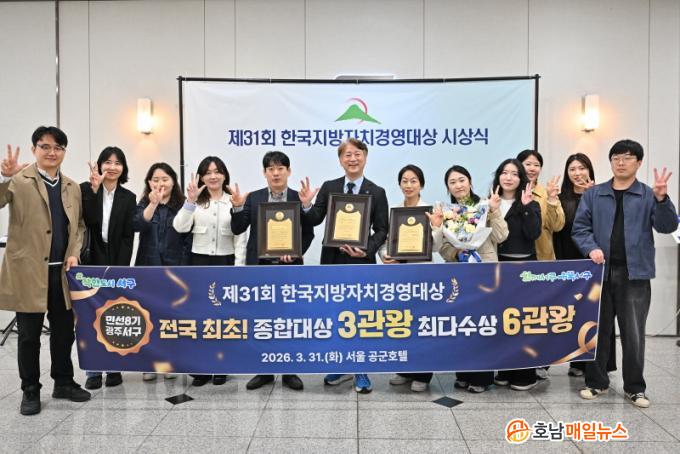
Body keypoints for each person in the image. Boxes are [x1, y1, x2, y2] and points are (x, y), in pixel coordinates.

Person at [573, 140, 677, 408]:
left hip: (635, 275)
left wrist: (662, 200)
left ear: (639, 162)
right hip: (600, 273)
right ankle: (596, 382)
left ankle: (635, 388)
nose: (621, 162)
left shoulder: (648, 194)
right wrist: (591, 248)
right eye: (616, 157)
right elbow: (580, 228)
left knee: (633, 335)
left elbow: (667, 226)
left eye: (628, 157)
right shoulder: (594, 194)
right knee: (597, 330)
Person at [0, 127, 91, 415]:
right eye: (45, 146)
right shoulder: (19, 180)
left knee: (63, 332)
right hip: (29, 272)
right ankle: (30, 390)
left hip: (61, 273)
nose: (52, 152)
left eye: (58, 147)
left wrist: (74, 252)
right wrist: (5, 177)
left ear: (64, 152)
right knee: (29, 336)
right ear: (34, 149)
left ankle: (63, 382)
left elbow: (78, 226)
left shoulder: (72, 186)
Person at [299, 138, 388, 393]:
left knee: (360, 316)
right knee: (336, 315)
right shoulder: (330, 187)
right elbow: (315, 219)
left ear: (365, 157)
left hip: (361, 263)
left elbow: (382, 229)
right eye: (347, 155)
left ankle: (361, 370)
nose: (352, 159)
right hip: (333, 261)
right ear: (340, 160)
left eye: (357, 154)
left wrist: (366, 249)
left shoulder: (376, 191)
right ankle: (340, 363)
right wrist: (306, 204)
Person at [230, 151, 314, 392]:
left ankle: (290, 371)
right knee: (262, 320)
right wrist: (238, 208)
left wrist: (296, 252)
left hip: (290, 269)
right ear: (264, 172)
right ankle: (264, 370)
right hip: (260, 269)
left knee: (289, 320)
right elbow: (238, 228)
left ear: (289, 171)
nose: (276, 173)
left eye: (280, 168)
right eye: (271, 169)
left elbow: (308, 233)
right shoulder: (254, 198)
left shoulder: (299, 198)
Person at [430, 165, 508, 393]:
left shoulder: (485, 205)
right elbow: (441, 247)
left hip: (484, 272)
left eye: (461, 180)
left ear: (470, 181)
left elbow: (501, 236)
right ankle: (463, 373)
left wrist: (494, 211)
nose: (458, 185)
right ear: (448, 188)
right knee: (461, 325)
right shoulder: (446, 211)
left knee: (482, 324)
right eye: (452, 182)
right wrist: (457, 252)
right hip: (458, 275)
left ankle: (482, 378)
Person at [173, 156, 247, 386]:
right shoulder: (195, 201)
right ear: (201, 177)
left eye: (217, 172)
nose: (213, 176)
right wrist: (189, 201)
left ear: (224, 175)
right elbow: (180, 227)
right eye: (207, 173)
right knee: (201, 317)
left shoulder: (233, 200)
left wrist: (239, 270)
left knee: (224, 318)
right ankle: (202, 367)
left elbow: (240, 239)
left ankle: (222, 366)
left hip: (225, 263)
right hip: (199, 264)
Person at [81, 147, 136, 390]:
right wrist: (94, 191)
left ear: (123, 168)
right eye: (107, 162)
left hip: (116, 260)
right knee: (90, 314)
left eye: (117, 163)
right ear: (100, 165)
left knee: (116, 314)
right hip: (91, 258)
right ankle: (93, 370)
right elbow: (89, 221)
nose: (112, 167)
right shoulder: (85, 189)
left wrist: (120, 267)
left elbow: (128, 236)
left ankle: (114, 367)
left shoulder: (128, 197)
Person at [381, 164, 436, 392]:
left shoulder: (429, 211)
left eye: (413, 180)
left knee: (421, 324)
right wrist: (385, 255)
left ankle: (423, 375)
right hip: (399, 274)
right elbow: (386, 241)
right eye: (404, 181)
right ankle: (404, 370)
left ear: (421, 184)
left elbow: (437, 246)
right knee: (402, 322)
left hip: (421, 273)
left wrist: (437, 227)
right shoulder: (395, 210)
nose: (409, 185)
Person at [134, 162, 189, 382]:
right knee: (149, 316)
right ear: (149, 183)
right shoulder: (144, 203)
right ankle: (150, 363)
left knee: (170, 317)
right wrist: (152, 204)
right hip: (148, 267)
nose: (160, 183)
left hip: (175, 269)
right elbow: (137, 225)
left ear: (173, 181)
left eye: (165, 179)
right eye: (155, 180)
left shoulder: (183, 205)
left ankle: (169, 362)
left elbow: (187, 237)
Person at [491, 158, 542, 391]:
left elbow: (533, 234)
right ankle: (504, 370)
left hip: (523, 269)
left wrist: (527, 208)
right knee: (502, 321)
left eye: (514, 173)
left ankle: (525, 375)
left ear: (521, 178)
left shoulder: (531, 202)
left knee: (522, 323)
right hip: (498, 267)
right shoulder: (491, 201)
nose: (508, 177)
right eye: (504, 172)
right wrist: (491, 209)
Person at [517, 150, 565, 380]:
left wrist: (553, 201)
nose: (532, 168)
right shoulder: (508, 190)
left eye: (536, 164)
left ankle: (540, 363)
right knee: (515, 315)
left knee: (540, 316)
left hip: (542, 261)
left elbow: (558, 226)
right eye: (527, 163)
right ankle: (514, 364)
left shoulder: (547, 193)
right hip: (514, 263)